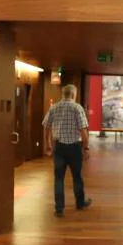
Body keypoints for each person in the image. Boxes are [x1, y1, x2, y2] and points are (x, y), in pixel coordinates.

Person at [42, 84, 92, 217]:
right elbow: (83, 130)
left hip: (59, 147)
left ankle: (59, 208)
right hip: (74, 148)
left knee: (58, 178)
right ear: (74, 94)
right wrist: (86, 147)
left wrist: (48, 144)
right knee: (77, 177)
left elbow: (46, 126)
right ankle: (80, 203)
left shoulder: (54, 108)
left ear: (63, 94)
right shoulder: (77, 108)